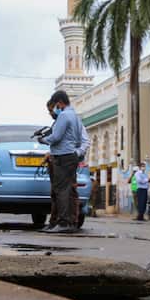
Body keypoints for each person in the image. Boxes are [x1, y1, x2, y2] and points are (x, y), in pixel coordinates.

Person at [37, 91, 86, 233]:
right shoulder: (75, 116)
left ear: (59, 102)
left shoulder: (64, 115)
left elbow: (56, 137)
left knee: (61, 190)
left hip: (63, 156)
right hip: (71, 155)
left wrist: (43, 140)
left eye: (55, 105)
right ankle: (68, 222)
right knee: (68, 190)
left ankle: (63, 222)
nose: (55, 109)